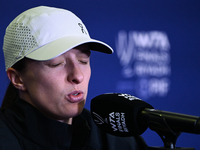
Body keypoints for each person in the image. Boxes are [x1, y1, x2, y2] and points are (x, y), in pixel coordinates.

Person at [0, 6, 148, 150]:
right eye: (56, 63)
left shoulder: (113, 138)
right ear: (17, 79)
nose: (78, 75)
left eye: (83, 60)